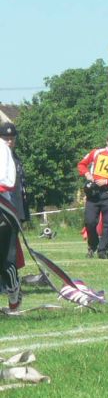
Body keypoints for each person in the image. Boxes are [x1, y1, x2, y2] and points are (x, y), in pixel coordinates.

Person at [77, 132, 108, 259]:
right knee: (89, 222)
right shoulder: (96, 153)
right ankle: (92, 244)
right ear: (107, 142)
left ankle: (103, 250)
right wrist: (88, 174)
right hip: (94, 193)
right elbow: (81, 164)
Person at [0, 122, 25, 310]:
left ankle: (14, 294)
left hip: (3, 208)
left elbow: (7, 181)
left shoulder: (3, 150)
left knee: (5, 260)